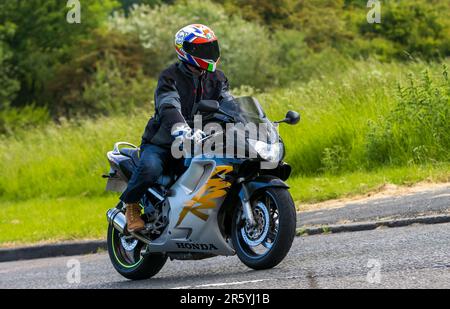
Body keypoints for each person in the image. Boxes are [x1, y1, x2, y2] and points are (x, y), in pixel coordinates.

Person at [120, 24, 233, 232]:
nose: (210, 53)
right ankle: (132, 205)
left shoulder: (218, 77)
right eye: (203, 49)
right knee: (151, 168)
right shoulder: (169, 76)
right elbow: (168, 104)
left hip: (201, 140)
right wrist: (180, 128)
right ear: (186, 51)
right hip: (163, 143)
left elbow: (228, 103)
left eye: (211, 47)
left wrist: (245, 122)